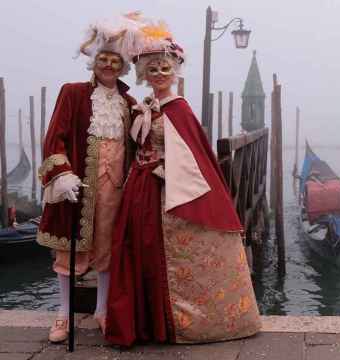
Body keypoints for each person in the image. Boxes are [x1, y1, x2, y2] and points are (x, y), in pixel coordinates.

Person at [106, 16, 261, 346]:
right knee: (139, 251)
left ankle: (179, 323)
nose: (159, 74)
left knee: (166, 255)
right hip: (140, 189)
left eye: (165, 68)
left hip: (168, 190)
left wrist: (167, 167)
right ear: (143, 73)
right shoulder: (144, 107)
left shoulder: (180, 109)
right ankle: (145, 321)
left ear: (174, 70)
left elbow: (196, 155)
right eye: (153, 69)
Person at [37, 15, 137, 343]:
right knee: (69, 251)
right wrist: (62, 174)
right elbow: (55, 138)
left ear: (122, 66)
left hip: (116, 190)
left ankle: (103, 311)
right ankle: (64, 315)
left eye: (114, 61)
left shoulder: (129, 103)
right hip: (77, 189)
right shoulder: (73, 93)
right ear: (94, 61)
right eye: (103, 59)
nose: (108, 65)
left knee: (109, 251)